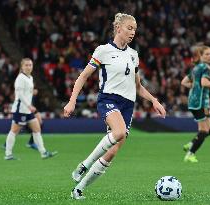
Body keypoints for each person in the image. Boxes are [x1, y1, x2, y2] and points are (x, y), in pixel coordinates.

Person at [64, 13, 166, 200]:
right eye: (129, 28)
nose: (133, 32)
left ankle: (79, 189)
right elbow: (83, 76)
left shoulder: (133, 55)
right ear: (118, 28)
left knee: (111, 153)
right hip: (108, 99)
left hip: (128, 106)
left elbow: (138, 87)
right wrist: (72, 101)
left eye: (135, 29)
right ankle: (84, 164)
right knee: (118, 132)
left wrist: (154, 101)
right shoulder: (103, 51)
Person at [4, 58, 58, 160]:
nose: (29, 67)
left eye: (30, 65)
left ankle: (43, 152)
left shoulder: (30, 78)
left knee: (37, 128)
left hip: (27, 110)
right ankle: (8, 154)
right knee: (14, 131)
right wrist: (29, 105)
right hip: (20, 109)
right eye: (26, 65)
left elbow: (25, 92)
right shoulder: (20, 78)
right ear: (22, 67)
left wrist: (31, 93)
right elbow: (19, 94)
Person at [181, 44, 210, 163]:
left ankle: (191, 143)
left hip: (200, 102)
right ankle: (190, 154)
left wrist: (194, 87)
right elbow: (204, 83)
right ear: (201, 55)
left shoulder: (196, 68)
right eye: (207, 54)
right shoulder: (205, 67)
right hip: (199, 102)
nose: (209, 56)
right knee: (204, 130)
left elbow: (184, 82)